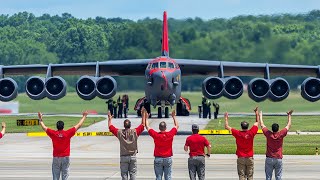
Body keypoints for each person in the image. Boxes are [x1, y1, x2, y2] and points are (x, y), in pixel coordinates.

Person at [38, 111, 88, 180]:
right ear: (63, 126)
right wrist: (84, 116)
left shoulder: (53, 134)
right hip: (65, 157)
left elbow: (44, 127)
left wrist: (40, 119)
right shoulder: (67, 133)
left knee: (55, 176)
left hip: (56, 158)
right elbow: (78, 125)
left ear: (57, 127)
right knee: (65, 176)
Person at [108, 107, 146, 180]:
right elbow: (143, 125)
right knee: (133, 174)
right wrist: (143, 114)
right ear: (130, 125)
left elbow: (110, 127)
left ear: (124, 125)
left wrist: (110, 119)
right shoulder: (135, 132)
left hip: (123, 157)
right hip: (133, 157)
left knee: (124, 175)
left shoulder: (120, 133)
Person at [224, 107, 259, 180]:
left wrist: (226, 118)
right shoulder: (251, 132)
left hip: (241, 157)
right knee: (250, 176)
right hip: (249, 157)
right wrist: (256, 113)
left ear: (241, 126)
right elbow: (257, 122)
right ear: (248, 126)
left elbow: (226, 127)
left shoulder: (238, 133)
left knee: (241, 176)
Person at [259, 110, 293, 180]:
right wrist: (289, 115)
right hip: (278, 158)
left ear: (272, 129)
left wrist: (260, 115)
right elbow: (288, 125)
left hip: (269, 158)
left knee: (268, 177)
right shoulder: (281, 134)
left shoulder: (268, 134)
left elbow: (262, 125)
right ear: (278, 129)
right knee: (278, 177)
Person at [145, 109, 179, 180]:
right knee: (168, 177)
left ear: (159, 128)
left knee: (158, 177)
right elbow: (177, 126)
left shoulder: (156, 135)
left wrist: (146, 118)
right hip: (167, 158)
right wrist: (174, 116)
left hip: (158, 158)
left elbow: (147, 127)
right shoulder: (170, 134)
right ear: (166, 128)